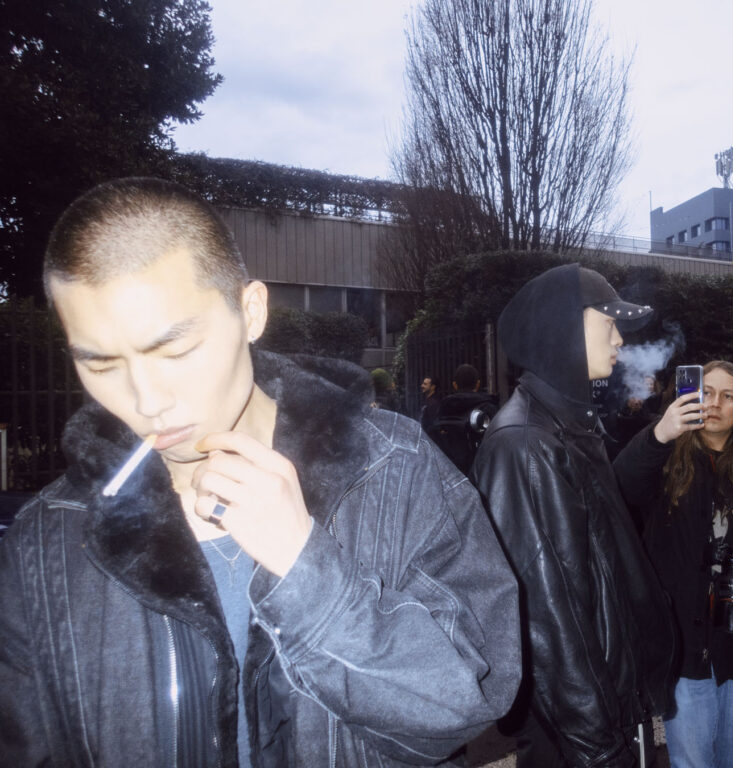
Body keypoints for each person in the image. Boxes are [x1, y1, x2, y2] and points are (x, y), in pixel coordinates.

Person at [0, 178, 521, 766]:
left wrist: (309, 576)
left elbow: (468, 702)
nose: (146, 401)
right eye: (101, 364)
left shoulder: (392, 469)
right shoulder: (44, 541)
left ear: (250, 311)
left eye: (174, 352)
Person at [471, 263, 676, 767]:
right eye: (606, 323)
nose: (620, 338)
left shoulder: (567, 426)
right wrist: (600, 750)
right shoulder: (525, 443)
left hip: (604, 709)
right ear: (561, 327)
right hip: (578, 735)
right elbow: (547, 624)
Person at [614, 361, 733, 768]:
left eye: (728, 396)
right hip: (683, 637)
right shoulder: (666, 457)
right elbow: (620, 487)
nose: (714, 403)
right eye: (707, 392)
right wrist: (661, 433)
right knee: (692, 759)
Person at [427, 364, 497, 475]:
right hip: (480, 471)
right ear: (478, 384)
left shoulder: (444, 408)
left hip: (452, 472)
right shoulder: (488, 408)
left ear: (454, 385)